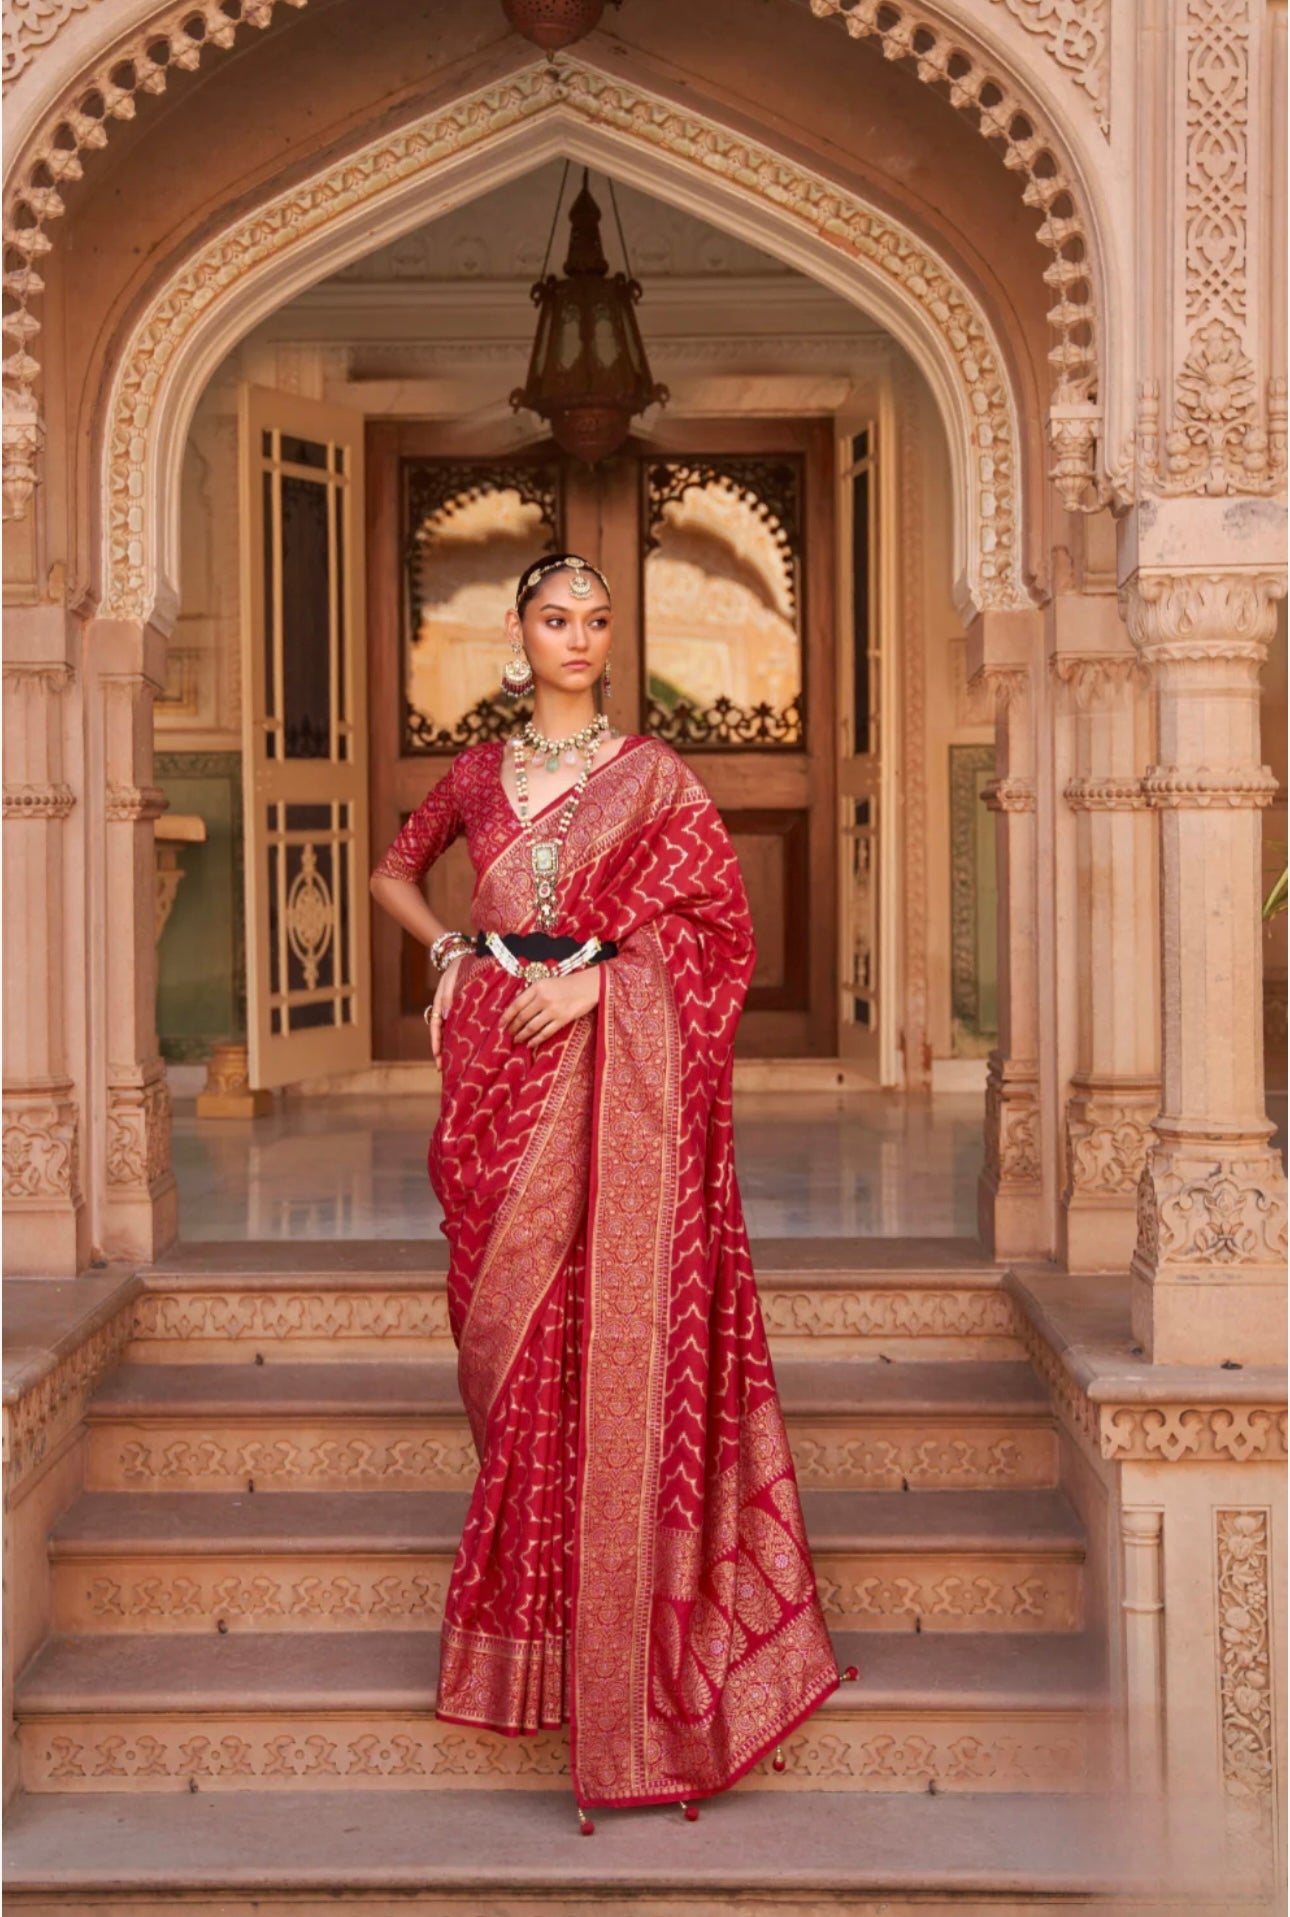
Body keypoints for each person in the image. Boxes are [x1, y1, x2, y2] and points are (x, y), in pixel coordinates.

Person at [369, 554, 853, 1831]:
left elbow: (717, 932)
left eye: (593, 621)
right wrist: (458, 955)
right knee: (507, 1341)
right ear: (517, 634)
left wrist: (603, 986)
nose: (576, 638)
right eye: (553, 619)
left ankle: (616, 1640)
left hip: (602, 1051)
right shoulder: (481, 771)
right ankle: (532, 1620)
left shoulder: (654, 776)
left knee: (600, 1324)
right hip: (495, 1060)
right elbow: (394, 870)